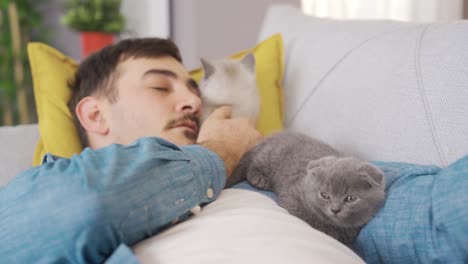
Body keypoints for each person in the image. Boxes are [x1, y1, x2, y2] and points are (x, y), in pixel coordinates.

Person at [0, 38, 262, 263]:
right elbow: (81, 204)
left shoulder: (253, 179)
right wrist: (219, 152)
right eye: (160, 86)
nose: (195, 102)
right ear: (95, 115)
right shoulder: (33, 197)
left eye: (196, 91)